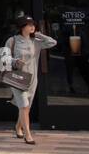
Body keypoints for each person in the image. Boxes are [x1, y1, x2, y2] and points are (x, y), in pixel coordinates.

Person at [5, 14, 57, 146]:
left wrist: (40, 34)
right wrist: (15, 61)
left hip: (32, 79)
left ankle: (18, 127)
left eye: (33, 25)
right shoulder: (12, 41)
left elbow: (52, 42)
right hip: (17, 78)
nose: (33, 27)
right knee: (24, 105)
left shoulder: (36, 42)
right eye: (29, 25)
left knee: (26, 108)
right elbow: (5, 57)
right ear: (22, 27)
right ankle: (28, 134)